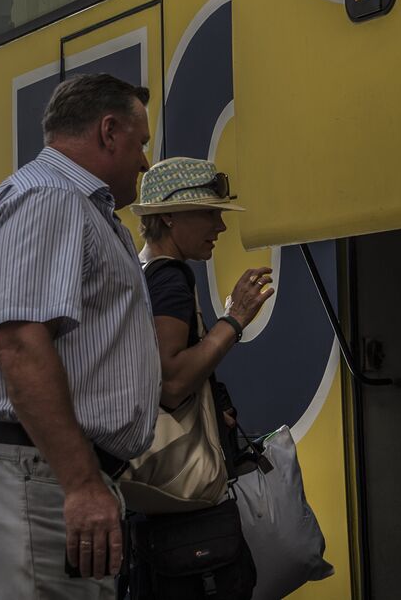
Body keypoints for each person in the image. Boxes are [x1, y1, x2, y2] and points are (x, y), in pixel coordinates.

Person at [0, 72, 158, 597]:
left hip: (42, 472)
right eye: (141, 143)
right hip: (39, 474)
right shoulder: (52, 198)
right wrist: (82, 483)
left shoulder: (65, 201)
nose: (145, 162)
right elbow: (20, 346)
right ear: (109, 131)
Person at [123, 156, 276, 597]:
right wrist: (234, 321)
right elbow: (172, 381)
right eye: (209, 212)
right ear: (168, 216)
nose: (220, 226)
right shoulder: (171, 278)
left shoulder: (140, 271)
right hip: (188, 510)